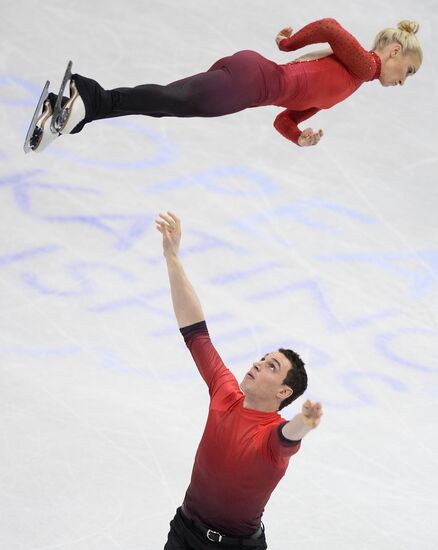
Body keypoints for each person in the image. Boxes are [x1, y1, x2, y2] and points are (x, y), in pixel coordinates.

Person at [155, 211, 323, 550]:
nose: (258, 364)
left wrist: (304, 421)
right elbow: (196, 332)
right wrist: (172, 257)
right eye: (263, 359)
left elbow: (288, 436)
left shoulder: (269, 438)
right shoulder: (225, 392)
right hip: (185, 533)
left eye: (271, 367)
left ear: (283, 391)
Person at [28, 18, 422, 153]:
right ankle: (86, 99)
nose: (402, 82)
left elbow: (284, 120)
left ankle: (72, 109)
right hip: (254, 82)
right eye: (407, 71)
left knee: (167, 101)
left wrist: (298, 137)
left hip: (251, 82)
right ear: (391, 52)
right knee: (168, 100)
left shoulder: (354, 81)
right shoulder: (364, 64)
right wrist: (288, 44)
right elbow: (330, 27)